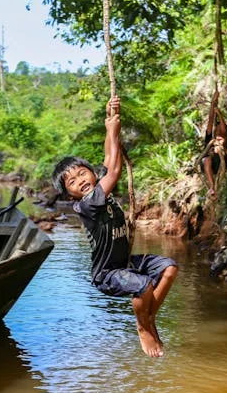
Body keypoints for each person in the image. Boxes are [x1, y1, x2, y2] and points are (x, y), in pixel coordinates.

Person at [52, 96, 178, 358]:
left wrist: (110, 120)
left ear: (92, 172)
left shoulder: (99, 190)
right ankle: (143, 326)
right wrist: (112, 130)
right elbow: (114, 172)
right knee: (143, 286)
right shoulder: (87, 204)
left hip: (126, 263)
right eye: (72, 182)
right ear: (70, 195)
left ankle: (149, 315)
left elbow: (110, 163)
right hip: (107, 273)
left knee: (169, 268)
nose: (80, 181)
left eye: (82, 173)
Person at [200, 104, 227, 196]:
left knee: (217, 150)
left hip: (219, 163)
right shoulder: (209, 138)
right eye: (216, 131)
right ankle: (212, 187)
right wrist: (213, 103)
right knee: (206, 160)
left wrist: (219, 114)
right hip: (207, 164)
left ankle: (213, 187)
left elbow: (224, 129)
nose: (218, 134)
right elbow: (210, 120)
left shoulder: (223, 140)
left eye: (219, 132)